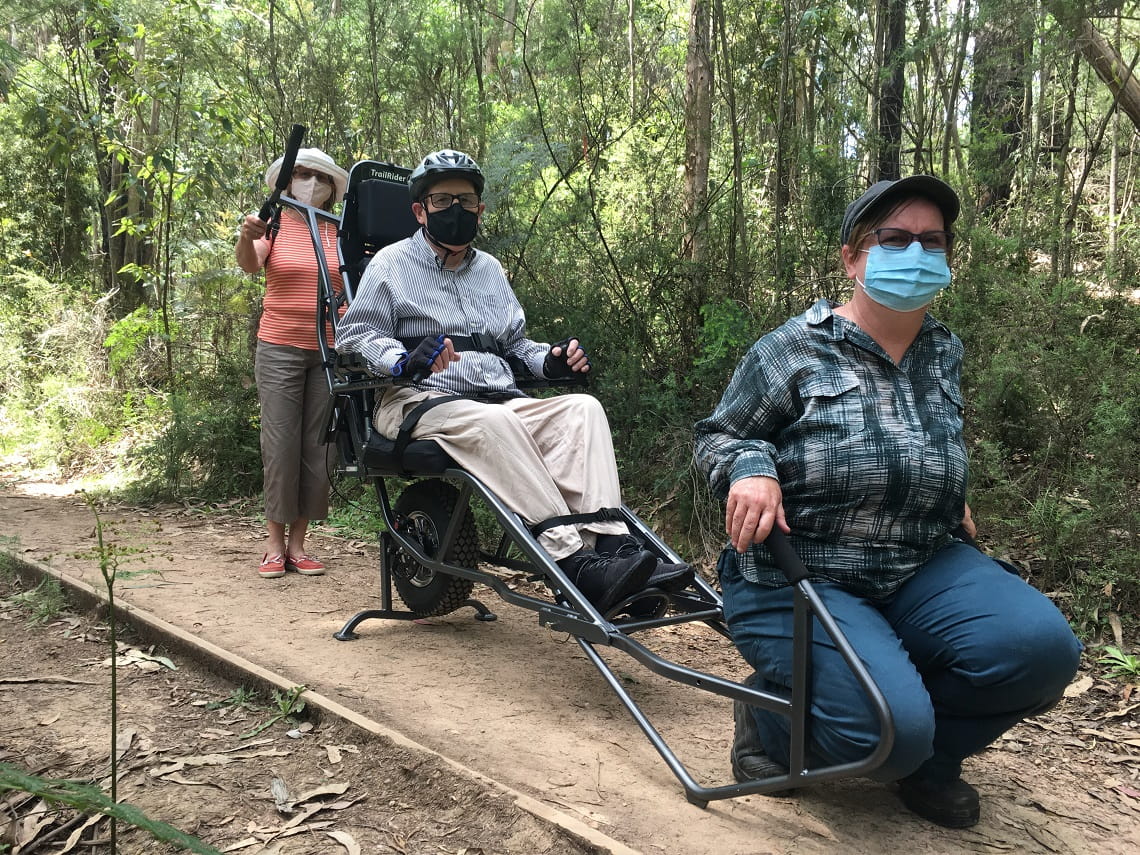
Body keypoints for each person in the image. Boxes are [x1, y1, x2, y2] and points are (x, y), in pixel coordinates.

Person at [694, 175, 1081, 828]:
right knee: (883, 731)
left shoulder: (942, 349)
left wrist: (944, 489)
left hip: (918, 562)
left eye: (932, 241)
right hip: (799, 572)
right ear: (852, 257)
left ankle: (927, 758)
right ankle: (771, 721)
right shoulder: (793, 347)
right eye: (894, 239)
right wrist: (750, 468)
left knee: (1042, 651)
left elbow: (923, 434)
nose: (916, 253)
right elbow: (719, 435)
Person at [335, 149, 692, 613]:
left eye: (465, 201)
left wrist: (552, 362)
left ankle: (614, 554)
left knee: (583, 409)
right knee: (493, 422)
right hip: (416, 399)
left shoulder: (489, 270)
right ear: (420, 211)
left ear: (480, 209)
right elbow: (355, 335)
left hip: (499, 399)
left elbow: (516, 346)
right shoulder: (390, 264)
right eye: (442, 201)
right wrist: (403, 359)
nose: (455, 210)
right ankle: (573, 562)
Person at [236, 147, 349, 580]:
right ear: (287, 182)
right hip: (280, 347)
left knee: (319, 447)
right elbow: (250, 264)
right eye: (302, 174)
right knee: (281, 445)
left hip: (328, 351)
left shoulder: (339, 231)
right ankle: (273, 545)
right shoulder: (275, 223)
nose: (312, 183)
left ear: (331, 190)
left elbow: (354, 284)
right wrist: (246, 235)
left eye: (321, 178)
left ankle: (299, 545)